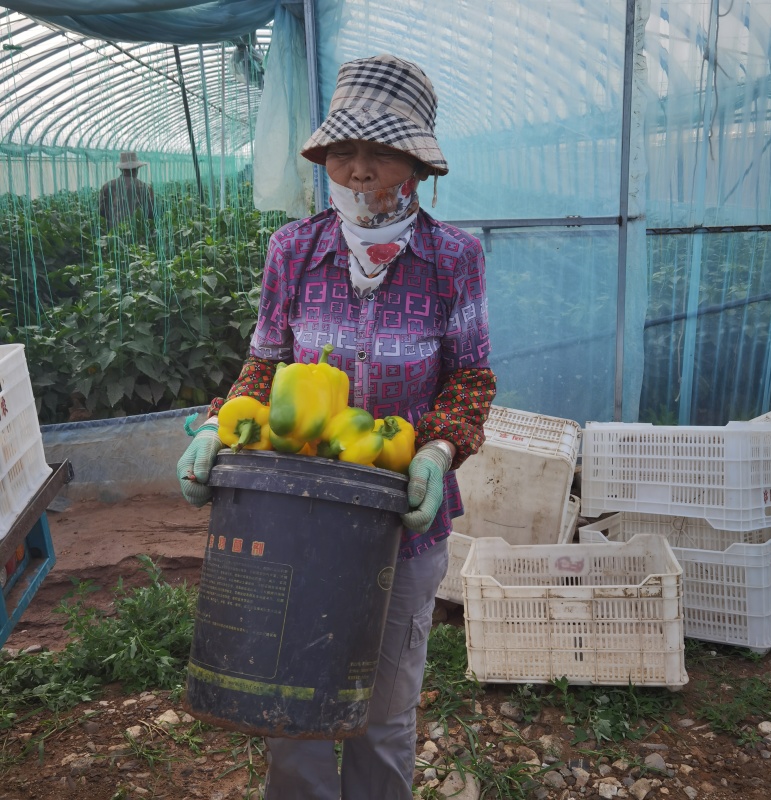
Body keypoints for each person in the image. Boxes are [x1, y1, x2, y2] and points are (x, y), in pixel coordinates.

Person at [177, 54, 496, 800]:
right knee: (291, 704)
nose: (356, 171)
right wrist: (218, 428)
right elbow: (264, 363)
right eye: (343, 153)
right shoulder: (294, 250)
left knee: (382, 713)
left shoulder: (455, 260)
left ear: (414, 165)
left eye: (377, 154)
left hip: (401, 522)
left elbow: (471, 375)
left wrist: (440, 450)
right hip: (295, 516)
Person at [98, 151, 155, 226]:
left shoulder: (107, 187)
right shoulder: (144, 187)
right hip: (137, 233)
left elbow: (101, 212)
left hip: (113, 233)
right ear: (137, 169)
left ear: (121, 169)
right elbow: (151, 213)